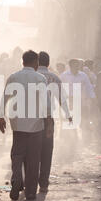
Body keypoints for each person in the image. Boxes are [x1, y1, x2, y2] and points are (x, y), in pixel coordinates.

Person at [0, 50, 51, 201]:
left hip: (17, 123)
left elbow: (4, 99)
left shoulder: (13, 77)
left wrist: (1, 117)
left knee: (17, 154)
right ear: (35, 62)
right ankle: (30, 192)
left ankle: (16, 180)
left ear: (22, 61)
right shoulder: (40, 78)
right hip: (35, 124)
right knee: (34, 158)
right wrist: (49, 123)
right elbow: (46, 103)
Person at [37, 51, 72, 193]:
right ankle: (44, 183)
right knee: (46, 150)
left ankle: (28, 180)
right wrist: (68, 114)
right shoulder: (54, 77)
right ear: (49, 63)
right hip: (49, 119)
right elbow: (62, 99)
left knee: (30, 150)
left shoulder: (31, 77)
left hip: (30, 118)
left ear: (36, 62)